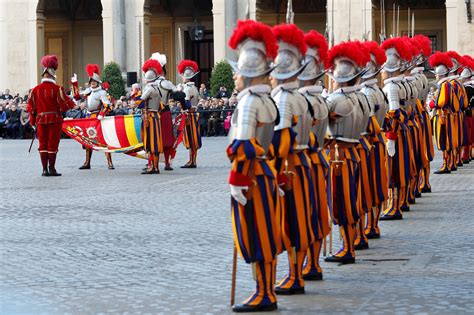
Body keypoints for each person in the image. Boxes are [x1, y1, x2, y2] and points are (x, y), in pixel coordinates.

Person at [227, 19, 280, 313]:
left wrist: (236, 179)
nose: (235, 77)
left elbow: (244, 146)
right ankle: (267, 289)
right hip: (266, 174)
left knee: (256, 234)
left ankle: (264, 293)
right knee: (266, 234)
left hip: (251, 178)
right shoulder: (269, 100)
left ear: (248, 74)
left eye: (238, 72)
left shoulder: (248, 103)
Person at [270, 23, 314, 294]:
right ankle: (296, 272)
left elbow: (282, 139)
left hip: (290, 167)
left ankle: (295, 275)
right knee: (299, 221)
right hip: (303, 163)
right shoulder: (297, 96)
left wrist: (272, 169)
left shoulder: (285, 99)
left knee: (291, 223)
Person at [324, 41, 370, 263]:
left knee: (342, 203)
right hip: (355, 151)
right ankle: (351, 242)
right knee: (354, 199)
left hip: (339, 157)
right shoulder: (362, 96)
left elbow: (319, 124)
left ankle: (347, 247)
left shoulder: (336, 99)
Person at [297, 30, 331, 280]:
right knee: (317, 215)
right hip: (319, 160)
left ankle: (298, 271)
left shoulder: (300, 101)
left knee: (300, 218)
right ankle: (314, 264)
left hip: (300, 163)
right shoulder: (322, 99)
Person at [379, 38, 411, 221]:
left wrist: (390, 138)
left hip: (394, 134)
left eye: (383, 69)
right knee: (399, 169)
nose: (381, 72)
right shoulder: (401, 84)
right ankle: (398, 203)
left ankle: (393, 206)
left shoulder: (391, 86)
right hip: (402, 131)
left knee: (393, 171)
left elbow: (393, 113)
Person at [359, 41, 389, 239]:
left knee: (364, 188)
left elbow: (365, 123)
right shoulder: (377, 91)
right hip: (378, 142)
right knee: (376, 184)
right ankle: (373, 225)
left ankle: (364, 229)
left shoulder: (366, 93)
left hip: (367, 144)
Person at [27, 54, 75, 176]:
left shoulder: (35, 90)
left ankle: (44, 170)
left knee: (42, 144)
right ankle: (52, 169)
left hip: (40, 120)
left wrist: (33, 122)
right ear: (53, 75)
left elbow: (31, 109)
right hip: (55, 119)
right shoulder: (58, 88)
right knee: (52, 144)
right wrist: (71, 102)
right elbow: (65, 106)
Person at [71, 64, 114, 170]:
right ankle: (87, 162)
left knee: (103, 141)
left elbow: (108, 106)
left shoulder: (102, 92)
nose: (93, 83)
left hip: (98, 118)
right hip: (88, 117)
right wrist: (75, 83)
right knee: (87, 141)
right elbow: (77, 97)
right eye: (91, 81)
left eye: (94, 81)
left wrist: (101, 114)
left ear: (98, 82)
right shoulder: (87, 92)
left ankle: (110, 162)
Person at [410, 35, 434, 193]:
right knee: (421, 151)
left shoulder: (413, 79)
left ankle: (419, 184)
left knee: (416, 153)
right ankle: (424, 182)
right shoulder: (421, 76)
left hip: (414, 117)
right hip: (421, 116)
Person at [429, 52, 455, 174]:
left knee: (445, 141)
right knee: (445, 141)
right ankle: (448, 163)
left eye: (436, 75)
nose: (436, 77)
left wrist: (432, 103)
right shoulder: (446, 84)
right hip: (444, 115)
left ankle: (447, 164)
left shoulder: (445, 85)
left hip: (443, 116)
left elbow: (442, 101)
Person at [151, 52, 177, 171]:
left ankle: (156, 163)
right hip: (163, 113)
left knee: (155, 139)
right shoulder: (167, 83)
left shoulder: (151, 84)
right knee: (162, 139)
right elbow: (178, 95)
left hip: (156, 113)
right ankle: (163, 163)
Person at [140, 58, 165, 174]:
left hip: (149, 117)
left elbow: (140, 101)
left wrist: (134, 98)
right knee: (155, 142)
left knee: (150, 142)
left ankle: (154, 167)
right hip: (156, 117)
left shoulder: (149, 88)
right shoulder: (158, 88)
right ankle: (155, 166)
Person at [177, 59, 201, 168]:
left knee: (191, 139)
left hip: (189, 115)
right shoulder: (195, 87)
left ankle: (192, 161)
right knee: (193, 138)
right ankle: (193, 160)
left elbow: (186, 103)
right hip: (194, 114)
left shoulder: (187, 88)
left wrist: (179, 101)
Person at [459, 55, 474, 162]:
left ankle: (465, 155)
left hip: (467, 112)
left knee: (466, 135)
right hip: (471, 111)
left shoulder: (466, 88)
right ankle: (469, 154)